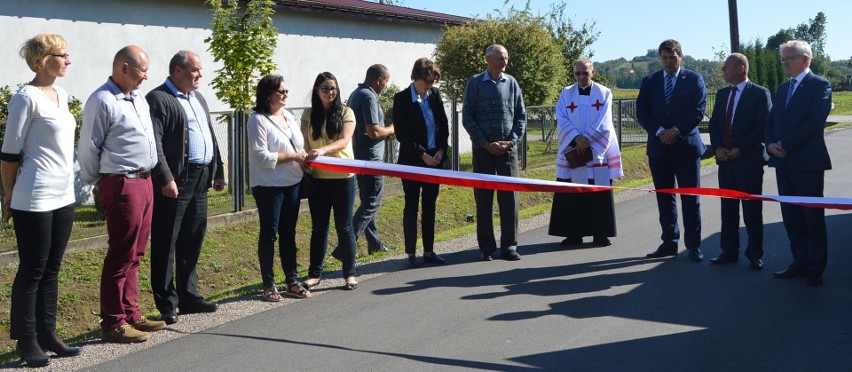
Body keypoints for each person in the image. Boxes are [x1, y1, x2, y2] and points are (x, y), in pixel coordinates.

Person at [1, 34, 81, 367]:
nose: (68, 60)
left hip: (64, 194)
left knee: (52, 268)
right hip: (34, 196)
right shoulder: (25, 99)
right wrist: (8, 196)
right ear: (43, 59)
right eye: (63, 54)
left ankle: (48, 333)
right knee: (33, 269)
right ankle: (27, 339)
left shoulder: (60, 94)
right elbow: (8, 154)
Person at [78, 45, 167, 343]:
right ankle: (113, 322)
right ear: (124, 68)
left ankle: (131, 313)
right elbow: (89, 149)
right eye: (142, 70)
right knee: (121, 252)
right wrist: (98, 183)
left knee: (137, 252)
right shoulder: (102, 100)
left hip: (145, 181)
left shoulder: (138, 98)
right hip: (121, 183)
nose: (146, 76)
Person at [145, 50, 224, 325]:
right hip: (176, 181)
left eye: (200, 70)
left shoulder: (197, 97)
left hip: (201, 177)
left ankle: (190, 296)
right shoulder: (158, 99)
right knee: (167, 241)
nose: (200, 75)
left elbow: (210, 136)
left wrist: (219, 169)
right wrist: (165, 177)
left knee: (193, 237)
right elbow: (154, 142)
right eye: (195, 70)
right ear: (177, 71)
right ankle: (167, 302)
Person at [766, 40, 832, 286]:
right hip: (783, 163)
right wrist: (770, 144)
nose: (784, 63)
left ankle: (815, 267)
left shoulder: (820, 85)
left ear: (805, 59)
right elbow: (770, 120)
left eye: (789, 58)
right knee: (791, 216)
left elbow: (814, 122)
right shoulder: (783, 88)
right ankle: (800, 262)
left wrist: (786, 145)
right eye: (783, 59)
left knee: (811, 218)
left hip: (806, 163)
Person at [636, 39, 707, 262]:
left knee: (690, 199)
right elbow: (642, 111)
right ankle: (669, 242)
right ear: (660, 58)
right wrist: (659, 132)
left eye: (672, 57)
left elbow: (698, 110)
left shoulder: (694, 79)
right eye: (664, 57)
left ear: (680, 57)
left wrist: (676, 131)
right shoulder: (650, 81)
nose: (668, 62)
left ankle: (693, 246)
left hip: (685, 147)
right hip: (659, 149)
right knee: (665, 199)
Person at [247, 74, 312, 301]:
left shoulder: (289, 115)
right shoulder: (258, 120)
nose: (285, 95)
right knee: (269, 234)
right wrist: (294, 156)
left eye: (286, 91)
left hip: (292, 182)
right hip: (269, 186)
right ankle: (269, 284)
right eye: (280, 92)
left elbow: (299, 145)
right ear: (267, 94)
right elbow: (263, 157)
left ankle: (292, 281)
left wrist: (302, 159)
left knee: (288, 234)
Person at [707, 53, 771, 271]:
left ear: (741, 68)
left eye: (727, 66)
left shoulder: (760, 94)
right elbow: (714, 124)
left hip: (748, 161)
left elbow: (762, 126)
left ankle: (755, 254)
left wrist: (740, 149)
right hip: (725, 161)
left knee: (752, 209)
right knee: (728, 208)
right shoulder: (724, 94)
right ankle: (729, 250)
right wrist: (717, 148)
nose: (723, 70)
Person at [462, 44, 526, 262]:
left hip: (507, 151)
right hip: (483, 151)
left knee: (510, 199)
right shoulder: (475, 83)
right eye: (500, 58)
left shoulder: (512, 83)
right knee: (484, 199)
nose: (504, 62)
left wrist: (510, 142)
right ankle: (486, 248)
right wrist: (486, 143)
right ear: (488, 60)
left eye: (506, 58)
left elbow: (521, 117)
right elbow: (468, 118)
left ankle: (509, 246)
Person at [549, 59, 623, 247]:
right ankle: (574, 234)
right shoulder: (566, 93)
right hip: (573, 148)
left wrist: (587, 139)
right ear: (574, 74)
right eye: (577, 73)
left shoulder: (604, 92)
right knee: (572, 193)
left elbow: (604, 121)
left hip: (597, 149)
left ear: (593, 72)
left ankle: (600, 234)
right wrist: (576, 138)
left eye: (585, 73)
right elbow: (562, 117)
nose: (581, 77)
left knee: (597, 193)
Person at [301, 72, 359, 290]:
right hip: (317, 179)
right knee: (319, 228)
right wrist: (306, 158)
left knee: (344, 227)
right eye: (325, 88)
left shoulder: (346, 112)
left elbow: (344, 141)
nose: (330, 93)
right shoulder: (308, 113)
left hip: (343, 178)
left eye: (333, 88)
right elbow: (304, 141)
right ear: (317, 90)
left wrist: (322, 151)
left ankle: (349, 274)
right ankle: (314, 274)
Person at [392, 57, 450, 267]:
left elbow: (443, 124)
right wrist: (422, 154)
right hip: (412, 160)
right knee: (411, 205)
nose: (429, 86)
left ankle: (429, 250)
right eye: (427, 82)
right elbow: (402, 135)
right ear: (416, 78)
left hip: (435, 159)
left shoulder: (434, 95)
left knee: (430, 205)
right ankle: (410, 253)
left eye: (432, 82)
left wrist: (442, 149)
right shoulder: (401, 98)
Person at [347, 64, 397, 255]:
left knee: (368, 200)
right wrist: (392, 129)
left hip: (360, 154)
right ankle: (346, 246)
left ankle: (375, 244)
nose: (385, 85)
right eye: (386, 81)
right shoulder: (368, 96)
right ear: (379, 80)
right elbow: (374, 131)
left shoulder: (356, 93)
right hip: (370, 157)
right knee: (372, 203)